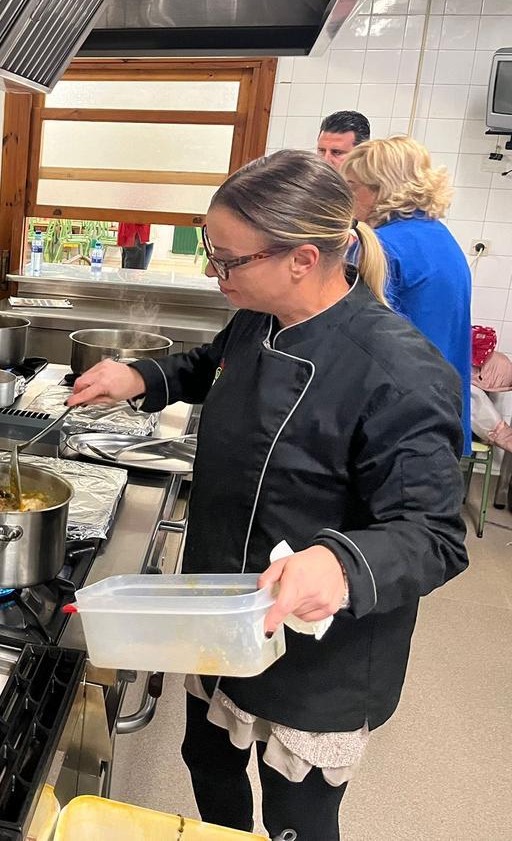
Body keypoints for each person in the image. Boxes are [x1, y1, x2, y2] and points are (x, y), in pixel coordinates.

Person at [67, 149, 467, 840]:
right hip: (223, 604)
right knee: (207, 760)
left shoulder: (397, 370)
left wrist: (340, 563)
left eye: (228, 260)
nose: (215, 274)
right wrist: (140, 378)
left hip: (319, 649)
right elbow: (208, 364)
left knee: (297, 814)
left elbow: (433, 533)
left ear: (303, 259)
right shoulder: (259, 315)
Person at [341, 135, 472, 454]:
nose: (347, 195)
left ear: (380, 189)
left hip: (392, 417)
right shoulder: (441, 238)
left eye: (352, 185)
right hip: (438, 412)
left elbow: (344, 338)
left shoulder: (381, 247)